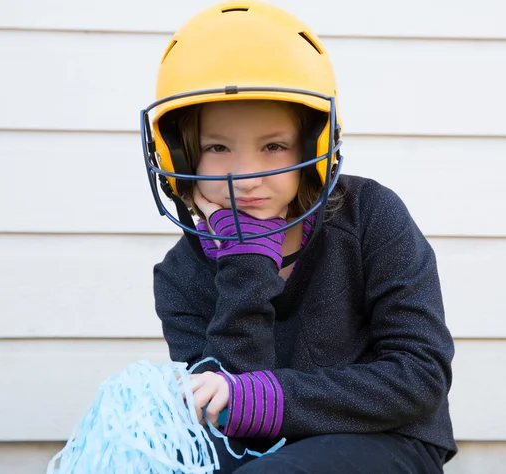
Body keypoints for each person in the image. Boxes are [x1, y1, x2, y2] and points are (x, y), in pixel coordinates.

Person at [141, 1, 457, 472]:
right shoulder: (179, 274)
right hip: (260, 454)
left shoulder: (370, 214)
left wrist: (265, 397)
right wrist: (246, 261)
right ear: (183, 158)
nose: (246, 177)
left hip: (388, 438)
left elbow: (419, 376)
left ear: (314, 147)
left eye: (273, 146)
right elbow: (229, 420)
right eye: (216, 148)